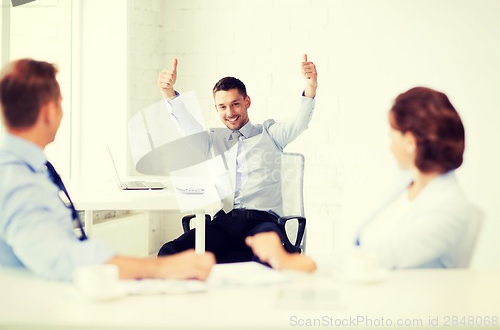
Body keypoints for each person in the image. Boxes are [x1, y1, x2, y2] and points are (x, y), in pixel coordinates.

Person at [0, 59, 215, 281]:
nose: (63, 114)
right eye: (61, 104)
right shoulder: (16, 179)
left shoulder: (26, 168)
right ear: (48, 112)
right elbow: (60, 257)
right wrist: (159, 268)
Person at [246, 87, 473, 271]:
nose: (390, 145)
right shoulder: (406, 184)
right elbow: (361, 245)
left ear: (410, 142)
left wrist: (290, 261)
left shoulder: (450, 208)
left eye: (392, 135)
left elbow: (376, 259)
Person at [156, 55, 317, 263]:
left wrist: (310, 86)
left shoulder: (270, 135)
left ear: (246, 102)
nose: (230, 112)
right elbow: (186, 126)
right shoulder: (212, 141)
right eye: (222, 107)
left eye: (235, 104)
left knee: (268, 258)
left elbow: (299, 122)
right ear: (216, 109)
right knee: (169, 252)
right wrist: (169, 93)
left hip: (263, 223)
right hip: (223, 223)